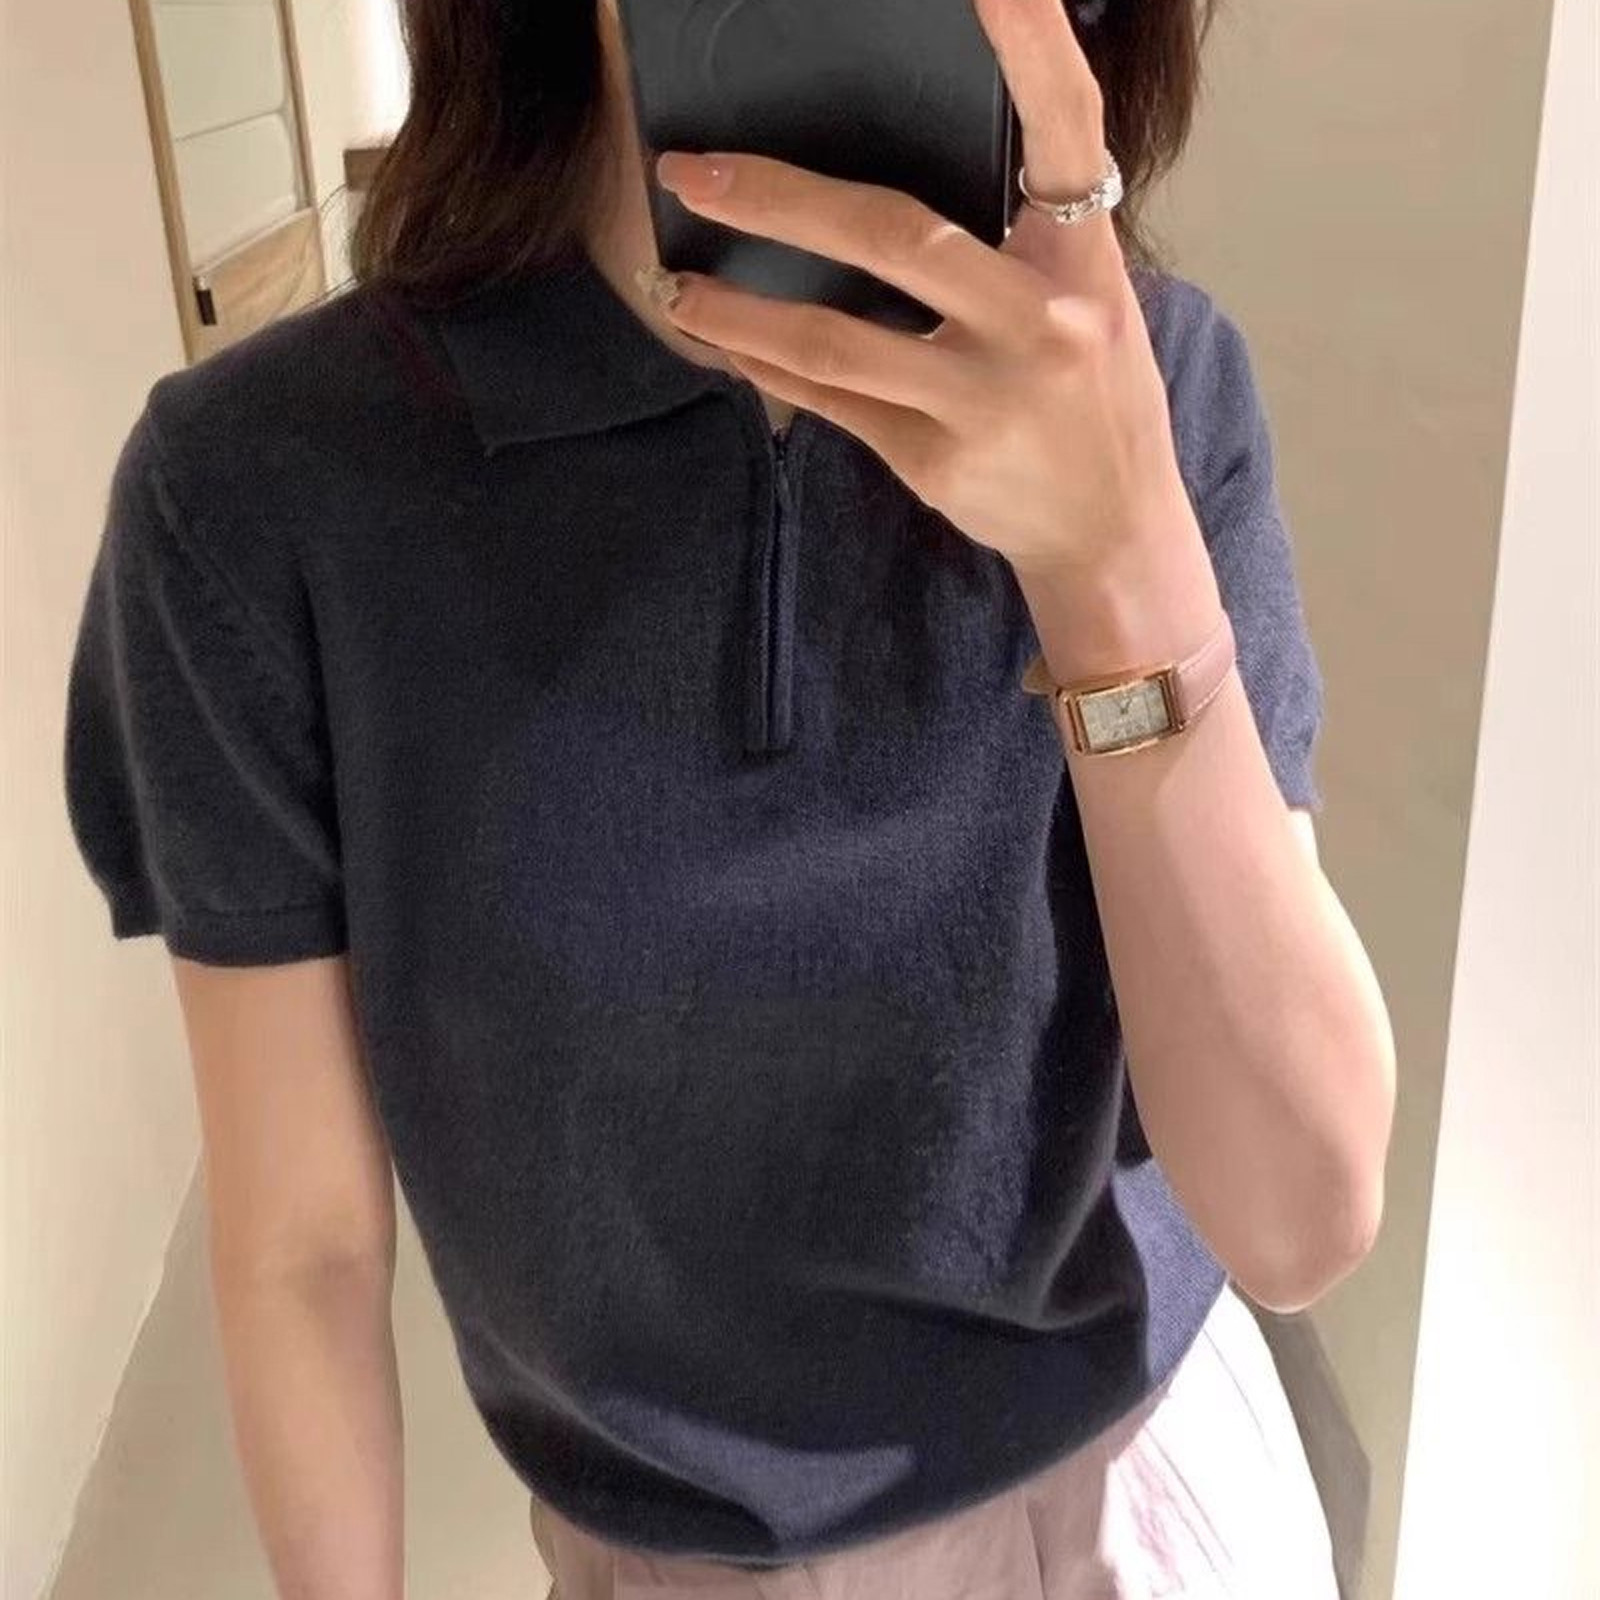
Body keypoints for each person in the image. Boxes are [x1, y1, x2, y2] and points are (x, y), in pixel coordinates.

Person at [61, 0, 1396, 1594]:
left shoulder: (1157, 389)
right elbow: (305, 1250)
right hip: (669, 1561)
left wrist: (1116, 561)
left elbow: (1301, 1218)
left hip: (1138, 1496)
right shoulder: (264, 486)